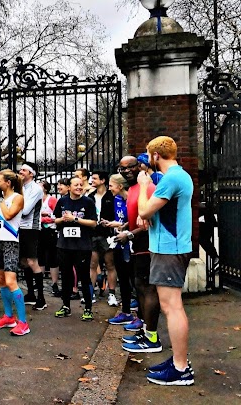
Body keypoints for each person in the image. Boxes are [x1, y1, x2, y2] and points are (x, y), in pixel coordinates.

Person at [135, 136, 195, 386]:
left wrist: (142, 185)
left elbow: (144, 211)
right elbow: (156, 211)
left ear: (155, 156)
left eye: (149, 155)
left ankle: (181, 368)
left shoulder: (171, 179)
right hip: (168, 248)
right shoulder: (179, 176)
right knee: (170, 305)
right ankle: (178, 361)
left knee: (172, 307)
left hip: (170, 250)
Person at [115, 155, 159, 346]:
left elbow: (151, 221)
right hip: (137, 247)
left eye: (129, 167)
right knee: (139, 288)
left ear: (139, 166)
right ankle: (144, 330)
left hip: (147, 246)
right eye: (121, 169)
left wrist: (130, 235)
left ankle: (151, 337)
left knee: (147, 289)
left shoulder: (148, 188)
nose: (125, 171)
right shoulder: (133, 189)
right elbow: (137, 217)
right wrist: (126, 226)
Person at [0, 170, 30, 336]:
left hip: (11, 243)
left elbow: (8, 215)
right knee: (1, 280)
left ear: (8, 183)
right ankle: (8, 316)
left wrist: (0, 200)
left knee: (11, 280)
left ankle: (23, 322)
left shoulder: (17, 198)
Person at [53, 175, 98, 321]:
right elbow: (56, 221)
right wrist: (63, 219)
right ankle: (66, 306)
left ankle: (88, 308)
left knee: (84, 277)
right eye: (75, 185)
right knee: (66, 277)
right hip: (64, 245)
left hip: (82, 246)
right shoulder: (62, 201)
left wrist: (75, 219)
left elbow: (93, 223)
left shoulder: (88, 202)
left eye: (81, 185)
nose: (79, 187)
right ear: (69, 187)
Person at [105, 173, 135, 326]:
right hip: (118, 242)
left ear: (120, 186)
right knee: (122, 278)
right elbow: (121, 220)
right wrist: (112, 223)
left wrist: (124, 227)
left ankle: (133, 310)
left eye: (111, 185)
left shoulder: (131, 199)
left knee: (132, 278)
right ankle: (126, 312)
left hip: (131, 243)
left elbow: (136, 220)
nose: (109, 188)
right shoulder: (116, 200)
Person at [17, 162, 46, 311]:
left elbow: (26, 210)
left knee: (32, 261)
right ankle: (31, 293)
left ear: (32, 173)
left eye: (24, 170)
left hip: (31, 228)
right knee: (23, 261)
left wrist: (13, 208)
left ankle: (41, 297)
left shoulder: (36, 189)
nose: (20, 172)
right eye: (20, 169)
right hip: (19, 227)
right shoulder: (20, 187)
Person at [90, 171, 118, 306]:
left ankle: (112, 294)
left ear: (103, 180)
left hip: (108, 234)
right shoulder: (90, 196)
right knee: (93, 265)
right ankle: (90, 293)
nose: (91, 180)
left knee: (110, 264)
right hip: (93, 233)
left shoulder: (111, 196)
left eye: (94, 178)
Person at [38, 181, 60, 297]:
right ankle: (39, 282)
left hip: (50, 230)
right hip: (39, 230)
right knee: (40, 256)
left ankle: (54, 283)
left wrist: (46, 217)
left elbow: (57, 215)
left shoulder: (51, 200)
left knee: (52, 257)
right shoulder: (35, 200)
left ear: (45, 189)